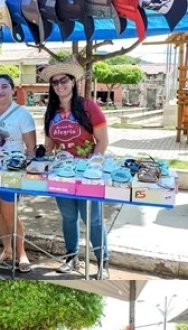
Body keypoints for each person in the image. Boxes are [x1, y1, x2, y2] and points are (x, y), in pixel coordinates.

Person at [41, 62, 110, 279]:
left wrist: (92, 165)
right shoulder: (51, 110)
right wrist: (41, 153)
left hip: (88, 174)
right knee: (68, 217)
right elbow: (50, 143)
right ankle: (72, 257)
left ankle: (102, 262)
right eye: (55, 82)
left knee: (93, 219)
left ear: (73, 81)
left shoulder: (88, 107)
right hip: (62, 173)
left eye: (64, 80)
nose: (60, 85)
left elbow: (102, 140)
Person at [0, 74, 37, 272]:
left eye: (4, 87)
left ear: (12, 89)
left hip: (11, 172)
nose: (0, 91)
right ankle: (7, 250)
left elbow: (31, 148)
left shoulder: (22, 114)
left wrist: (26, 172)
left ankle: (22, 253)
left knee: (11, 214)